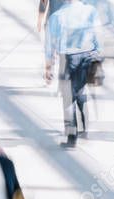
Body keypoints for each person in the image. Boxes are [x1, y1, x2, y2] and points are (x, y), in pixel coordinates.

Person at [44, 0, 102, 148]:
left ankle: (72, 136)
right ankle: (84, 128)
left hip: (69, 58)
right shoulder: (91, 11)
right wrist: (97, 54)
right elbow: (98, 35)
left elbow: (50, 43)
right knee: (81, 92)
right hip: (89, 55)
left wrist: (48, 66)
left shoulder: (57, 16)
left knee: (68, 98)